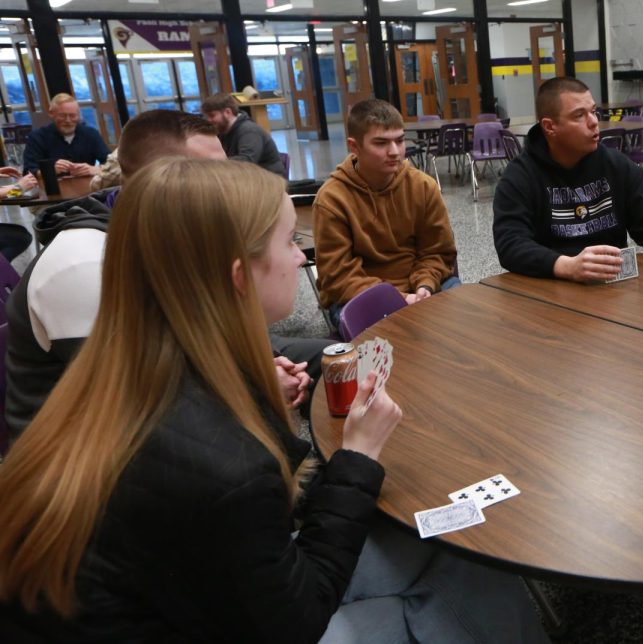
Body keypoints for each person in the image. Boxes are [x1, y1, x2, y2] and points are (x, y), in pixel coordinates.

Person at [0, 158, 549, 643]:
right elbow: (296, 617)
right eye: (291, 242)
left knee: (456, 549)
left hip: (179, 599)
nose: (300, 258)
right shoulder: (216, 455)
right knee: (459, 584)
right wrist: (356, 456)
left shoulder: (129, 363)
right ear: (240, 277)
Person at [4, 110, 321, 443]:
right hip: (87, 462)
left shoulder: (165, 232)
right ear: (159, 180)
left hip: (180, 389)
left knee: (335, 357)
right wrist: (256, 380)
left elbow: (202, 330)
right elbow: (145, 402)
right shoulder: (82, 265)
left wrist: (265, 364)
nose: (230, 183)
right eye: (210, 173)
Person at [493, 77, 643, 282]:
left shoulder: (617, 165)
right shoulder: (519, 176)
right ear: (550, 127)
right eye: (579, 115)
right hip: (550, 287)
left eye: (593, 111)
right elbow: (510, 244)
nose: (594, 122)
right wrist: (565, 266)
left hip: (613, 286)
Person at [313, 99, 458, 323]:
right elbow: (338, 277)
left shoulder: (422, 186)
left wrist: (424, 285)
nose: (394, 152)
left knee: (463, 313)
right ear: (354, 146)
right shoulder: (332, 199)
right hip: (362, 296)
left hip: (419, 284)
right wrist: (398, 299)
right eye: (380, 143)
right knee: (387, 345)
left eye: (399, 141)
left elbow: (437, 251)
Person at [21, 93, 109, 176]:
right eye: (62, 116)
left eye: (72, 116)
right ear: (51, 114)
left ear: (78, 116)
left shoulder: (91, 134)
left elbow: (112, 164)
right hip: (52, 189)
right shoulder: (37, 138)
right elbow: (28, 172)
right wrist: (50, 170)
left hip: (89, 187)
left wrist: (95, 169)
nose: (68, 120)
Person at [201, 93, 287, 177]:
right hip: (251, 177)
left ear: (228, 112)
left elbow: (247, 161)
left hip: (269, 180)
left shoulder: (249, 130)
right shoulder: (223, 130)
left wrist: (215, 162)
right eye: (207, 117)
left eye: (212, 116)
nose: (208, 120)